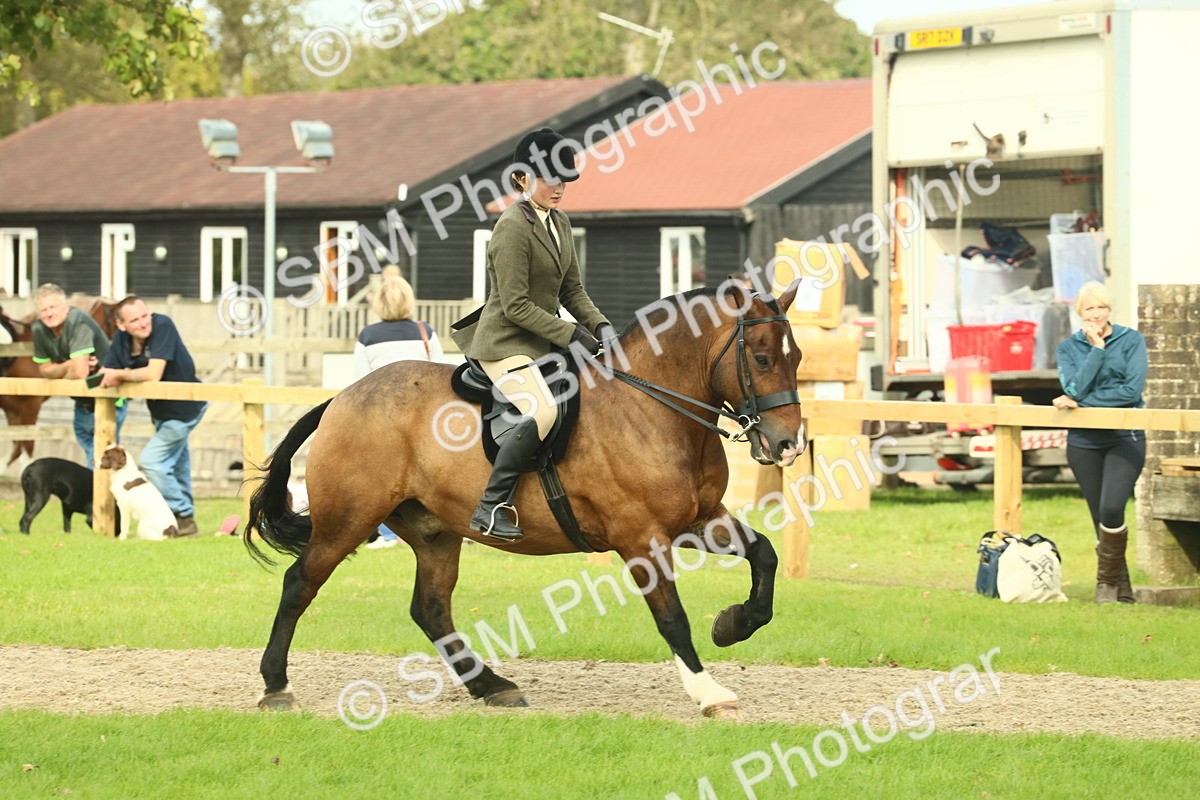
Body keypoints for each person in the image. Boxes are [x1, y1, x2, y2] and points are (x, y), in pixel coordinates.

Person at [450, 127, 617, 543]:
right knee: (542, 412)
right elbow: (515, 306)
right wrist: (570, 334)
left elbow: (571, 290)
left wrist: (601, 326)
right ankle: (490, 508)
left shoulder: (559, 221)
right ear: (522, 179)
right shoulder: (511, 227)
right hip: (504, 342)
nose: (558, 188)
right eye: (548, 179)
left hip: (541, 341)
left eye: (563, 179)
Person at [1053, 280, 1148, 604]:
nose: (1096, 313)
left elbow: (1131, 392)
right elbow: (1073, 388)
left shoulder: (1131, 340)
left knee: (1111, 508)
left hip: (1125, 438)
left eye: (1101, 307)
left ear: (1109, 309)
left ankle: (1105, 584)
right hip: (1084, 442)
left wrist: (1084, 402)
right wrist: (1096, 349)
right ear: (1080, 312)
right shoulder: (1068, 348)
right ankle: (1120, 593)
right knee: (1099, 516)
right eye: (1089, 308)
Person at [98, 296, 207, 538]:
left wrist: (120, 374)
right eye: (134, 320)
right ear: (121, 325)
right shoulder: (121, 341)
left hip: (186, 408)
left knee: (153, 462)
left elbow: (153, 373)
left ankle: (183, 515)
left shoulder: (163, 326)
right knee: (177, 466)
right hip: (160, 412)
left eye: (144, 315)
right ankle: (186, 524)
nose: (143, 322)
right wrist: (104, 373)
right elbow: (108, 372)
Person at [355, 273, 443, 549]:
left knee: (381, 479)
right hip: (422, 420)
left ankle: (389, 533)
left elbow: (358, 383)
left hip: (383, 421)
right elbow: (441, 373)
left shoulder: (368, 337)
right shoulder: (424, 331)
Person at [31, 283, 128, 468]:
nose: (48, 313)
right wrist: (69, 365)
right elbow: (44, 370)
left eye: (53, 307)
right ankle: (99, 495)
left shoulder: (78, 321)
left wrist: (59, 370)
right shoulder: (39, 329)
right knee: (93, 454)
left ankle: (97, 497)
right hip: (82, 402)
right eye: (43, 310)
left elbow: (81, 372)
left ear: (66, 306)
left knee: (100, 459)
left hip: (108, 398)